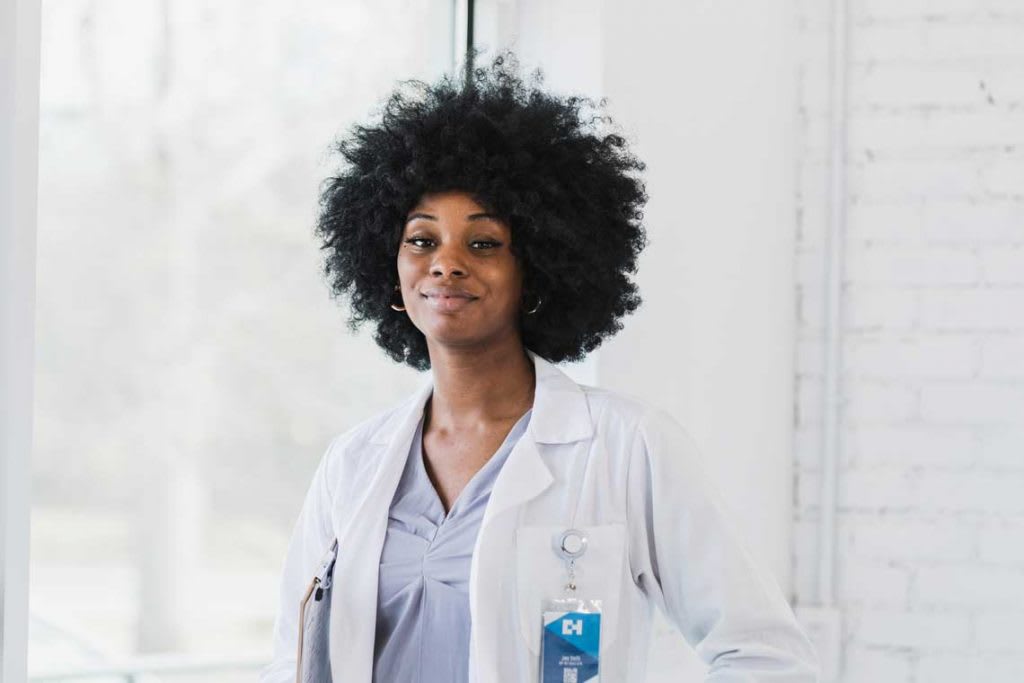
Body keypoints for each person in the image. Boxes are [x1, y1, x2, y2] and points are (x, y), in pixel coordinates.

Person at [260, 51, 820, 683]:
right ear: (387, 269)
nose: (445, 263)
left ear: (538, 270)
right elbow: (293, 661)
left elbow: (767, 658)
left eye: (483, 243)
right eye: (421, 241)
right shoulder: (353, 464)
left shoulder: (627, 448)